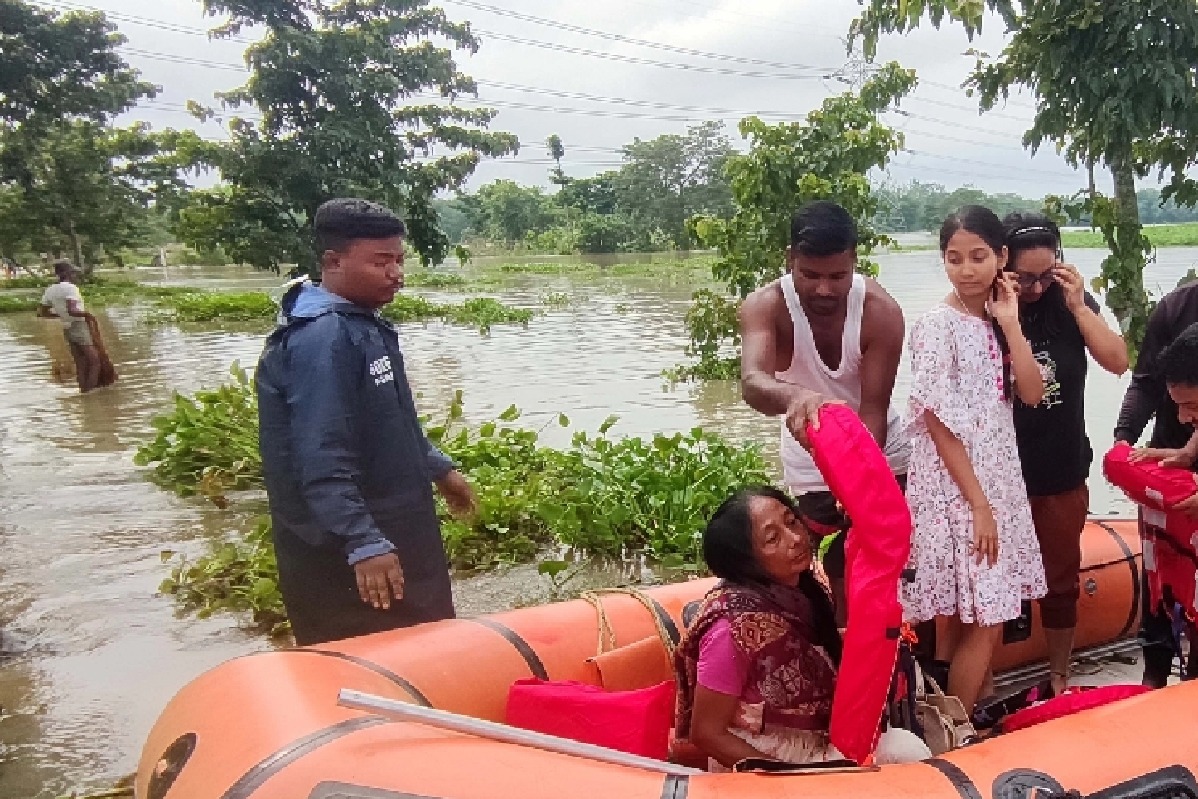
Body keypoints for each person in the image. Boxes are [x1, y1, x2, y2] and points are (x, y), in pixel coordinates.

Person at [256, 198, 478, 646]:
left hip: (397, 524)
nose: (397, 273)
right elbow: (319, 453)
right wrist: (363, 541)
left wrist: (438, 468)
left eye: (399, 259)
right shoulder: (323, 338)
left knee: (426, 642)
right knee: (370, 651)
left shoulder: (363, 324)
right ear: (333, 262)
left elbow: (390, 419)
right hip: (346, 547)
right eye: (382, 262)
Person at [902, 206, 1047, 715]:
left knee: (977, 610)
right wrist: (980, 506)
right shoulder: (936, 326)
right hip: (958, 488)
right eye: (954, 258)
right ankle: (958, 738)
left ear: (1001, 257)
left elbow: (1031, 394)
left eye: (979, 257)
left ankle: (975, 719)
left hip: (997, 477)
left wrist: (1010, 325)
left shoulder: (994, 320)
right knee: (990, 613)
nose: (966, 269)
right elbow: (938, 426)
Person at [673, 486, 930, 770]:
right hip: (766, 754)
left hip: (817, 738)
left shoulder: (802, 590)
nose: (795, 539)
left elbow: (822, 644)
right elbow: (706, 733)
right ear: (746, 562)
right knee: (904, 749)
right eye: (773, 539)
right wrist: (788, 778)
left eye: (792, 521)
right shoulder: (732, 629)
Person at [739, 200, 909, 625]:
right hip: (809, 458)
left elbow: (874, 406)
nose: (824, 290)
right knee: (827, 571)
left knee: (888, 570)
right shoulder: (766, 306)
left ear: (854, 260)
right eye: (809, 275)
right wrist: (795, 396)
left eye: (838, 276)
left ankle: (902, 668)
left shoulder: (880, 313)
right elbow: (753, 382)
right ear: (789, 259)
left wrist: (856, 477)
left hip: (879, 452)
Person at [1003, 213, 1128, 694]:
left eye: (1044, 275)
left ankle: (1059, 674)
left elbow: (1118, 361)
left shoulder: (1067, 301)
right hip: (1003, 472)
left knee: (1061, 579)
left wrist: (1077, 305)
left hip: (1061, 465)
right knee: (995, 579)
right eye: (1024, 276)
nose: (1035, 288)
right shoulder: (991, 307)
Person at [1120, 319, 1198, 685]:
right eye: (1178, 406)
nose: (1184, 417)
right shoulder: (1176, 316)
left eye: (1192, 405)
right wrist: (1184, 454)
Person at [37, 260, 102, 392]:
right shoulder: (71, 288)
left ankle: (83, 391)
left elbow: (42, 313)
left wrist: (61, 315)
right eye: (73, 273)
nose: (75, 276)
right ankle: (89, 393)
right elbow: (72, 309)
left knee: (80, 363)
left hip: (67, 327)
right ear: (67, 273)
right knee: (95, 361)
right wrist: (88, 315)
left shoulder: (50, 290)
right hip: (78, 325)